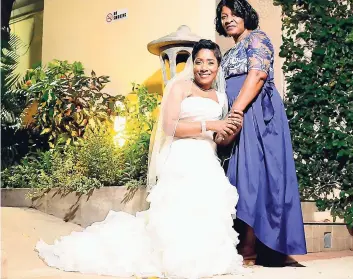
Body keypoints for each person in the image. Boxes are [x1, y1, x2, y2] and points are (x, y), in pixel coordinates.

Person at [35, 40, 250, 279]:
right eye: (199, 61)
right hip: (182, 158)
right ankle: (175, 260)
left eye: (210, 62)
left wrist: (228, 132)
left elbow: (219, 138)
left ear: (218, 66)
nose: (204, 67)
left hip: (207, 160)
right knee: (178, 213)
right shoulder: (180, 87)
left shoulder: (220, 98)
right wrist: (211, 124)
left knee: (205, 211)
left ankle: (204, 260)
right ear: (193, 64)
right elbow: (170, 127)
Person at [214, 0, 307, 266]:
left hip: (255, 114)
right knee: (240, 178)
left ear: (246, 16)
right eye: (224, 16)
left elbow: (257, 75)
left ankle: (253, 247)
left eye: (234, 14)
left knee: (256, 177)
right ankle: (249, 244)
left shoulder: (257, 38)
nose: (229, 20)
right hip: (237, 115)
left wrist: (237, 111)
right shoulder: (229, 52)